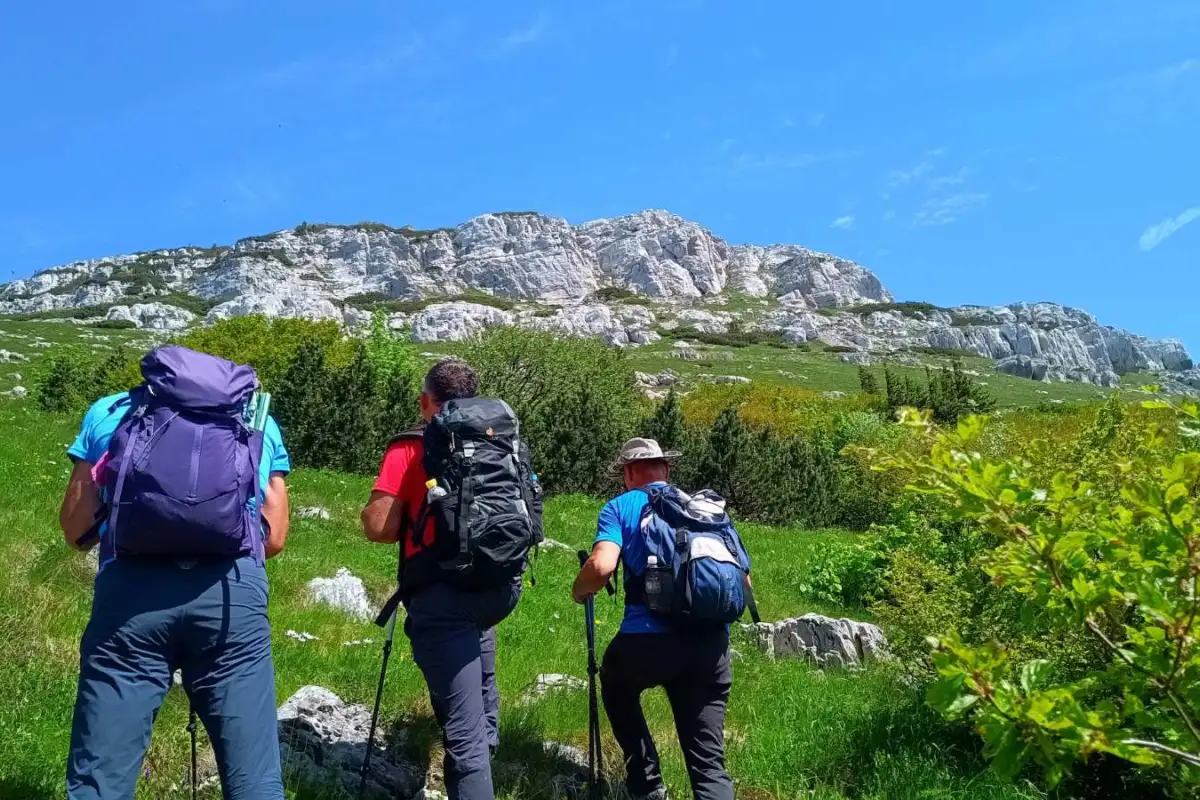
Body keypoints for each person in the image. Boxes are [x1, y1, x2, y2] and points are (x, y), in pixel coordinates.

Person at [60, 346, 291, 800]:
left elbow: (74, 528)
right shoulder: (257, 415)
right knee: (255, 778)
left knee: (99, 779)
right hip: (231, 599)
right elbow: (276, 535)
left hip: (130, 595)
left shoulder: (111, 411)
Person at [361, 360, 522, 800]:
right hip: (497, 586)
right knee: (480, 693)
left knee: (462, 735)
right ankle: (483, 757)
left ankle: (472, 777)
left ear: (425, 400)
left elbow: (378, 527)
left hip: (443, 596)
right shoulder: (499, 438)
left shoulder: (413, 446)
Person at [572, 438, 736, 800]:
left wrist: (579, 590)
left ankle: (646, 784)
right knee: (708, 761)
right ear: (667, 469)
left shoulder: (622, 506)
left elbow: (601, 566)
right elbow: (744, 580)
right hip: (710, 645)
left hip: (647, 642)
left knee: (616, 685)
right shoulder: (706, 509)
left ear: (628, 472)